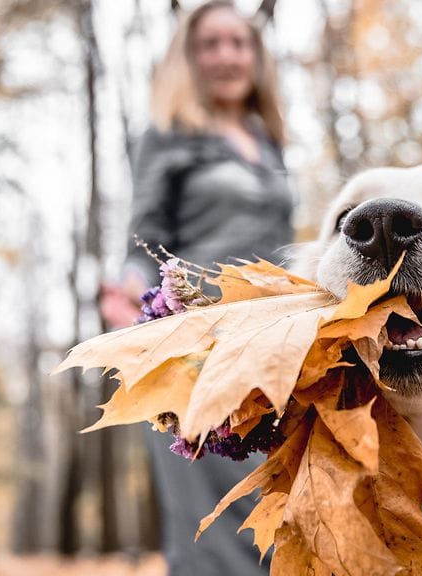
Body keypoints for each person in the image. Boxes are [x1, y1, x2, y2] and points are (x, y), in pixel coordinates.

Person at [100, 2, 292, 575]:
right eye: (210, 44)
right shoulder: (166, 136)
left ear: (256, 57)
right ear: (189, 58)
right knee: (209, 520)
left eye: (239, 43)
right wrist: (131, 287)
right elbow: (144, 238)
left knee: (274, 510)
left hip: (273, 345)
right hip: (196, 342)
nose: (227, 55)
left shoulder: (269, 141)